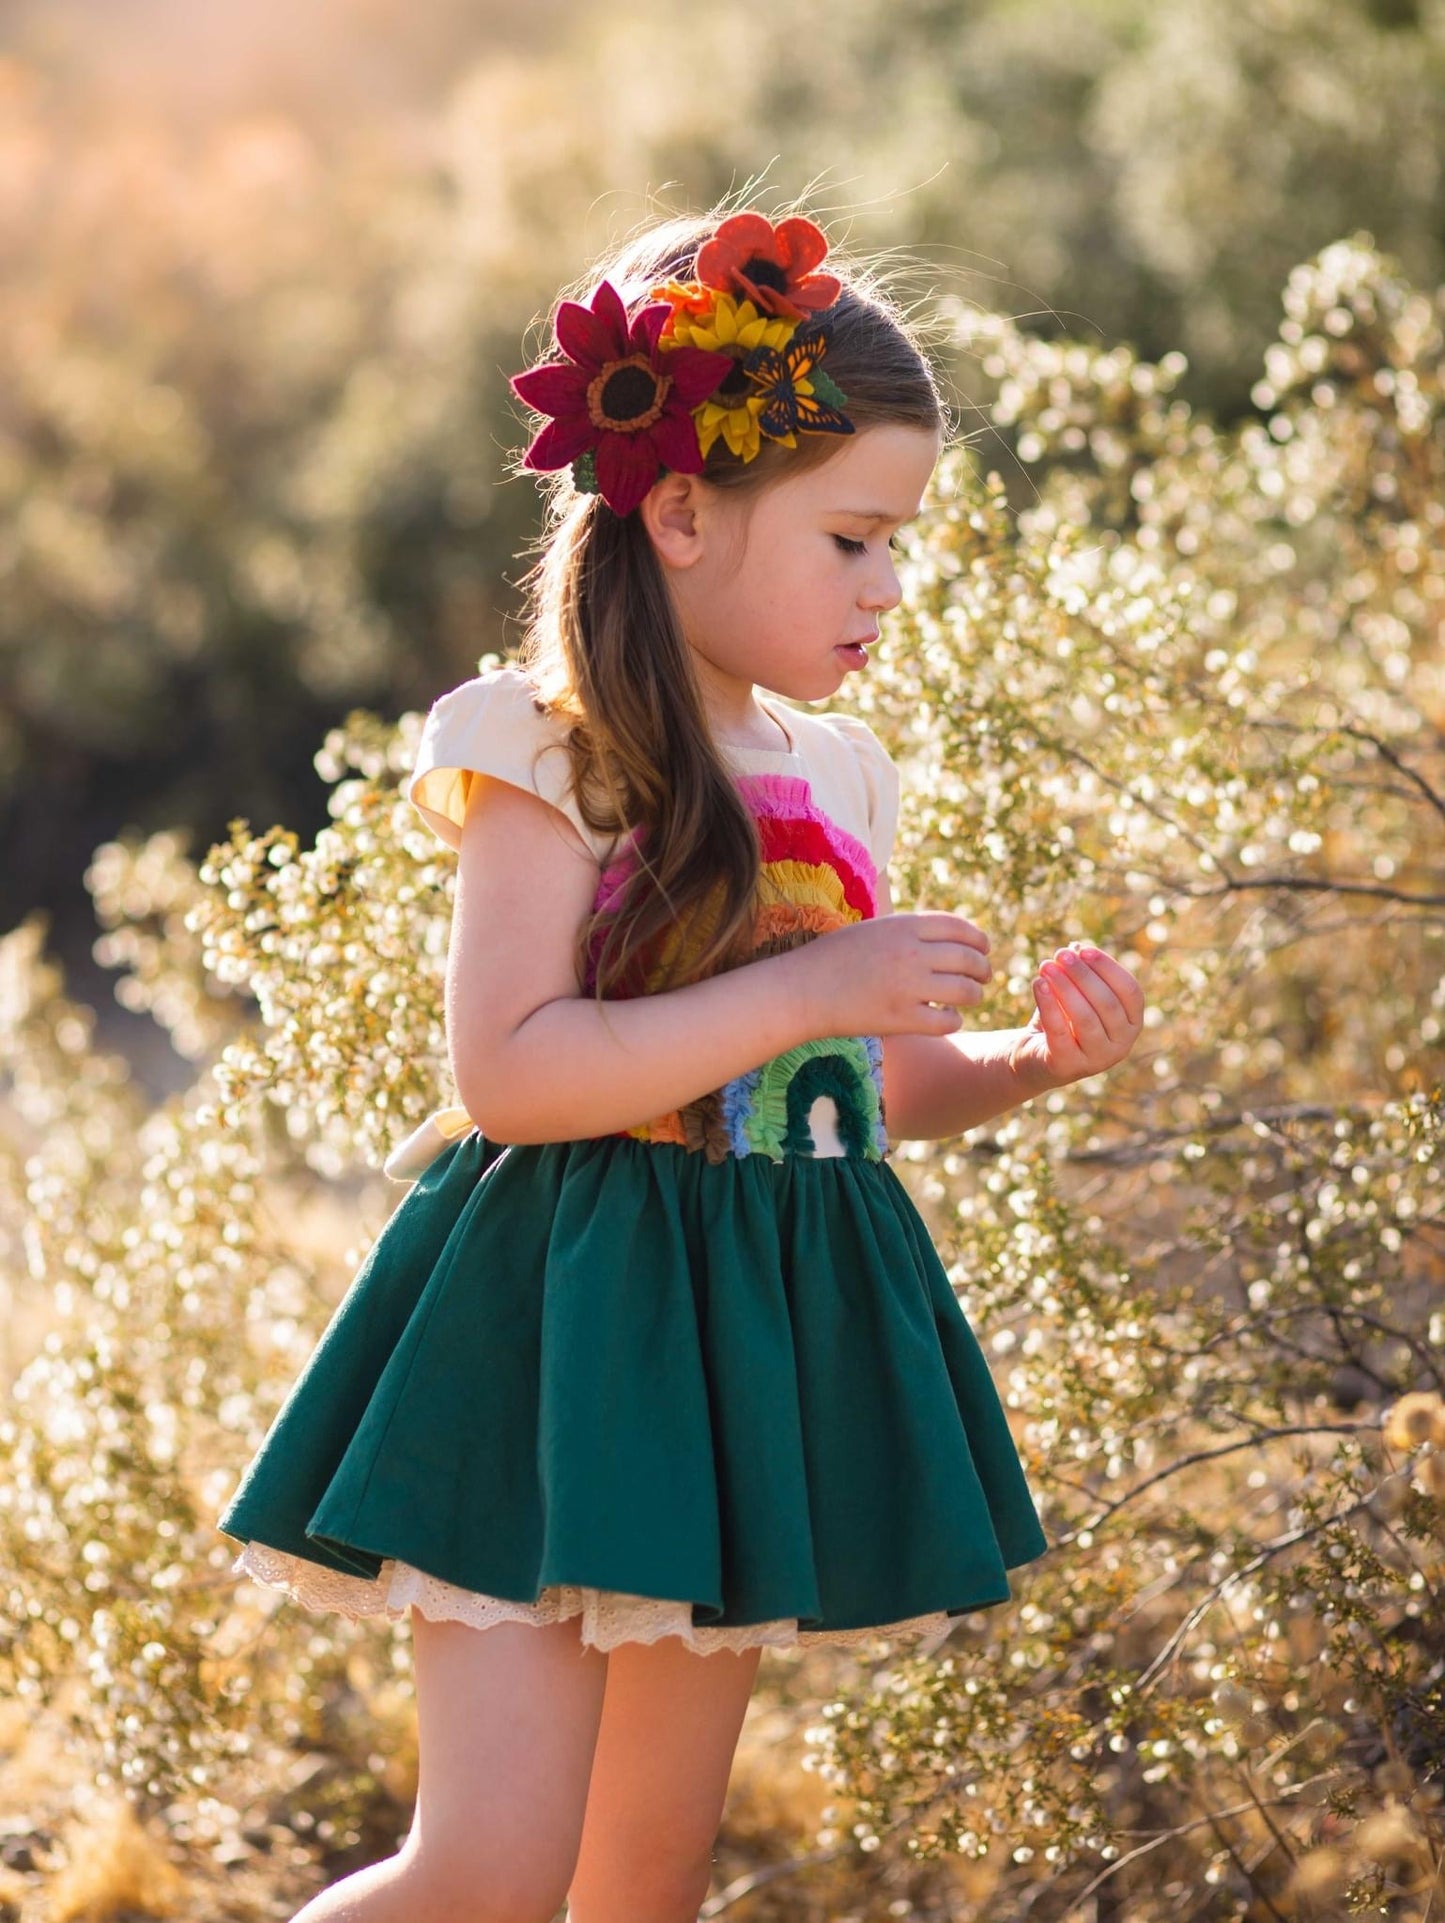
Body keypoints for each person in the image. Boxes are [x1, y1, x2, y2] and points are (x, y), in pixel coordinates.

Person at [218, 198, 1145, 1923]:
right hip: (553, 1334)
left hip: (741, 1357)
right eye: (854, 538)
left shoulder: (842, 771)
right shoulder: (554, 753)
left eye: (900, 544)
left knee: (643, 1869)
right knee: (489, 1870)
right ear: (683, 511)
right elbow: (513, 1073)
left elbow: (842, 1108)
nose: (889, 584)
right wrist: (816, 990)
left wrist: (1026, 1060)